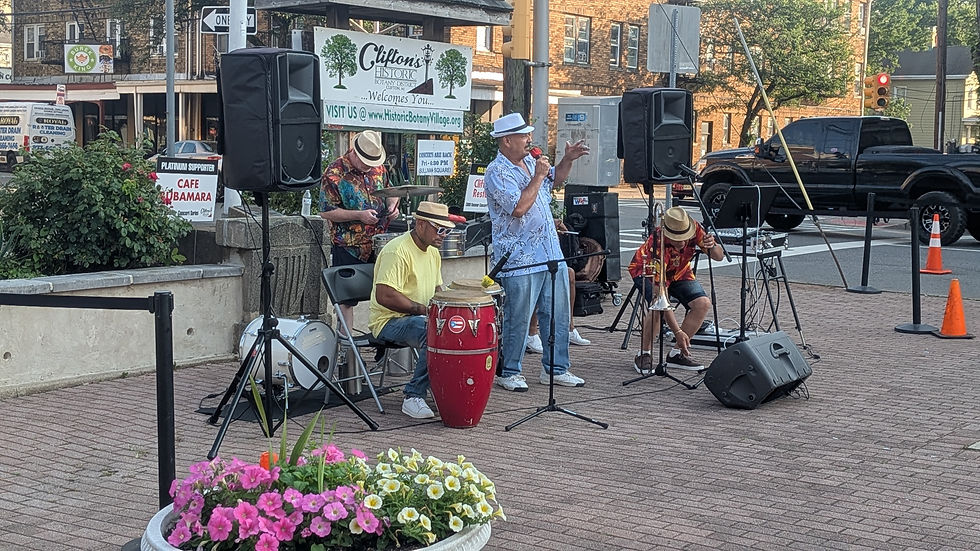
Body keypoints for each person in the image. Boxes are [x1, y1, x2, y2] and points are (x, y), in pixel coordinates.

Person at [483, 112, 590, 392]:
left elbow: (555, 180)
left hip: (549, 252)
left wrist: (567, 160)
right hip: (520, 257)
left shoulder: (531, 162)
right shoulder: (497, 172)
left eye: (529, 133)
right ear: (507, 140)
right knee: (518, 316)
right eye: (523, 135)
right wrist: (539, 176)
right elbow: (518, 208)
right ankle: (510, 372)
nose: (529, 139)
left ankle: (556, 368)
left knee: (557, 314)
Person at [368, 201, 454, 419]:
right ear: (421, 224)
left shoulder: (433, 252)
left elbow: (437, 289)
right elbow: (384, 295)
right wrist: (423, 310)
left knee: (453, 327)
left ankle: (446, 387)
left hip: (417, 318)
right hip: (389, 321)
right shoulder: (397, 251)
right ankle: (413, 395)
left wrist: (450, 308)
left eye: (447, 230)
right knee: (432, 330)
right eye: (439, 229)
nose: (443, 235)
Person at [320, 130, 400, 336]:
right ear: (354, 153)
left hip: (379, 243)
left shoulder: (378, 167)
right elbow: (326, 211)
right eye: (365, 163)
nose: (369, 167)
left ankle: (385, 344)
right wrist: (358, 215)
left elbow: (391, 192)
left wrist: (392, 206)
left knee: (388, 292)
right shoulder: (334, 173)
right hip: (349, 246)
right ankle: (347, 349)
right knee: (346, 301)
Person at [627, 206, 725, 374]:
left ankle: (677, 353)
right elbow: (662, 297)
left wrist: (712, 245)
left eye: (684, 237)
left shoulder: (693, 227)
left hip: (680, 271)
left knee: (702, 304)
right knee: (657, 307)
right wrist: (677, 331)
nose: (682, 242)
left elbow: (719, 256)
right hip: (647, 271)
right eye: (676, 239)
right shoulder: (656, 244)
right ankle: (644, 353)